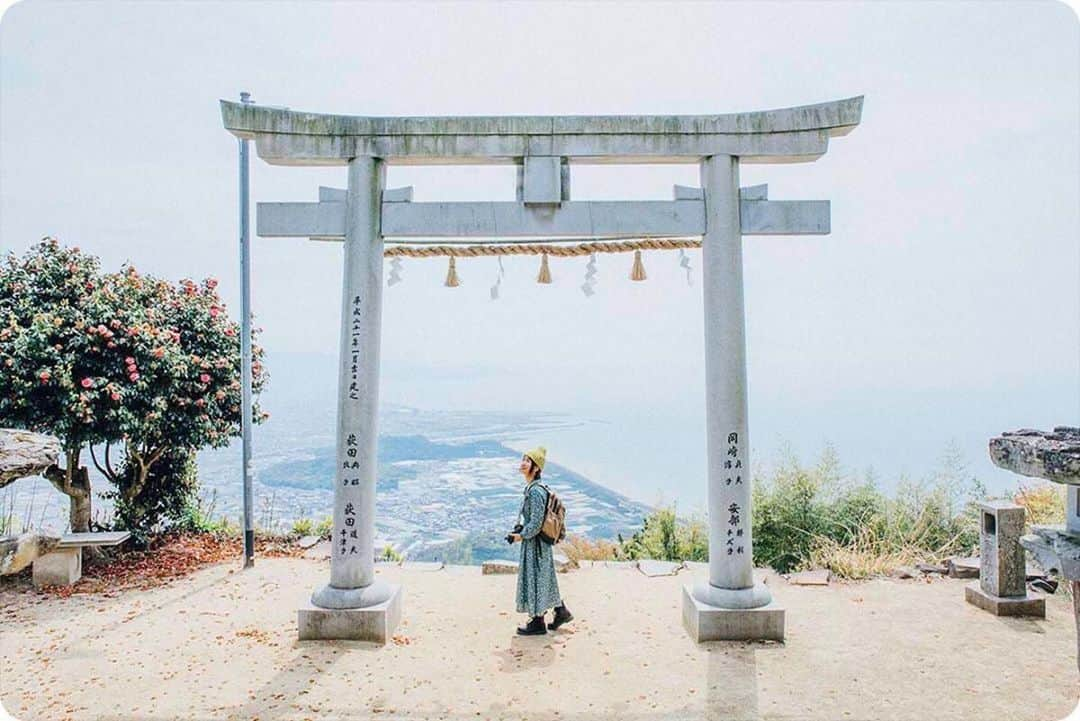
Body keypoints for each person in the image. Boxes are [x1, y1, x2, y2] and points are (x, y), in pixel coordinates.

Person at [507, 446, 573, 635]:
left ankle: (537, 622)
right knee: (545, 577)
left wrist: (521, 535)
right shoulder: (534, 488)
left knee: (536, 578)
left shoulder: (536, 491)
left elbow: (536, 523)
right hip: (538, 543)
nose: (523, 463)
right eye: (523, 459)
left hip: (535, 544)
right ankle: (560, 611)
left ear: (536, 468)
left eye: (528, 461)